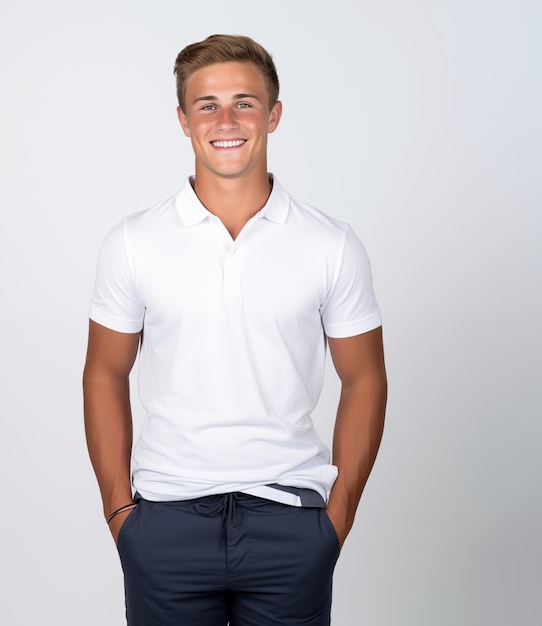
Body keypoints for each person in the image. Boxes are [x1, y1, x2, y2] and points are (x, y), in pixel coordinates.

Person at [83, 34, 387, 626]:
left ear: (273, 115)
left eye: (245, 102)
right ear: (183, 119)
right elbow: (105, 370)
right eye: (207, 104)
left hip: (290, 521)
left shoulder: (331, 244)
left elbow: (365, 377)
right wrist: (120, 511)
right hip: (166, 519)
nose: (226, 119)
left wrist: (338, 514)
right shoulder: (133, 242)